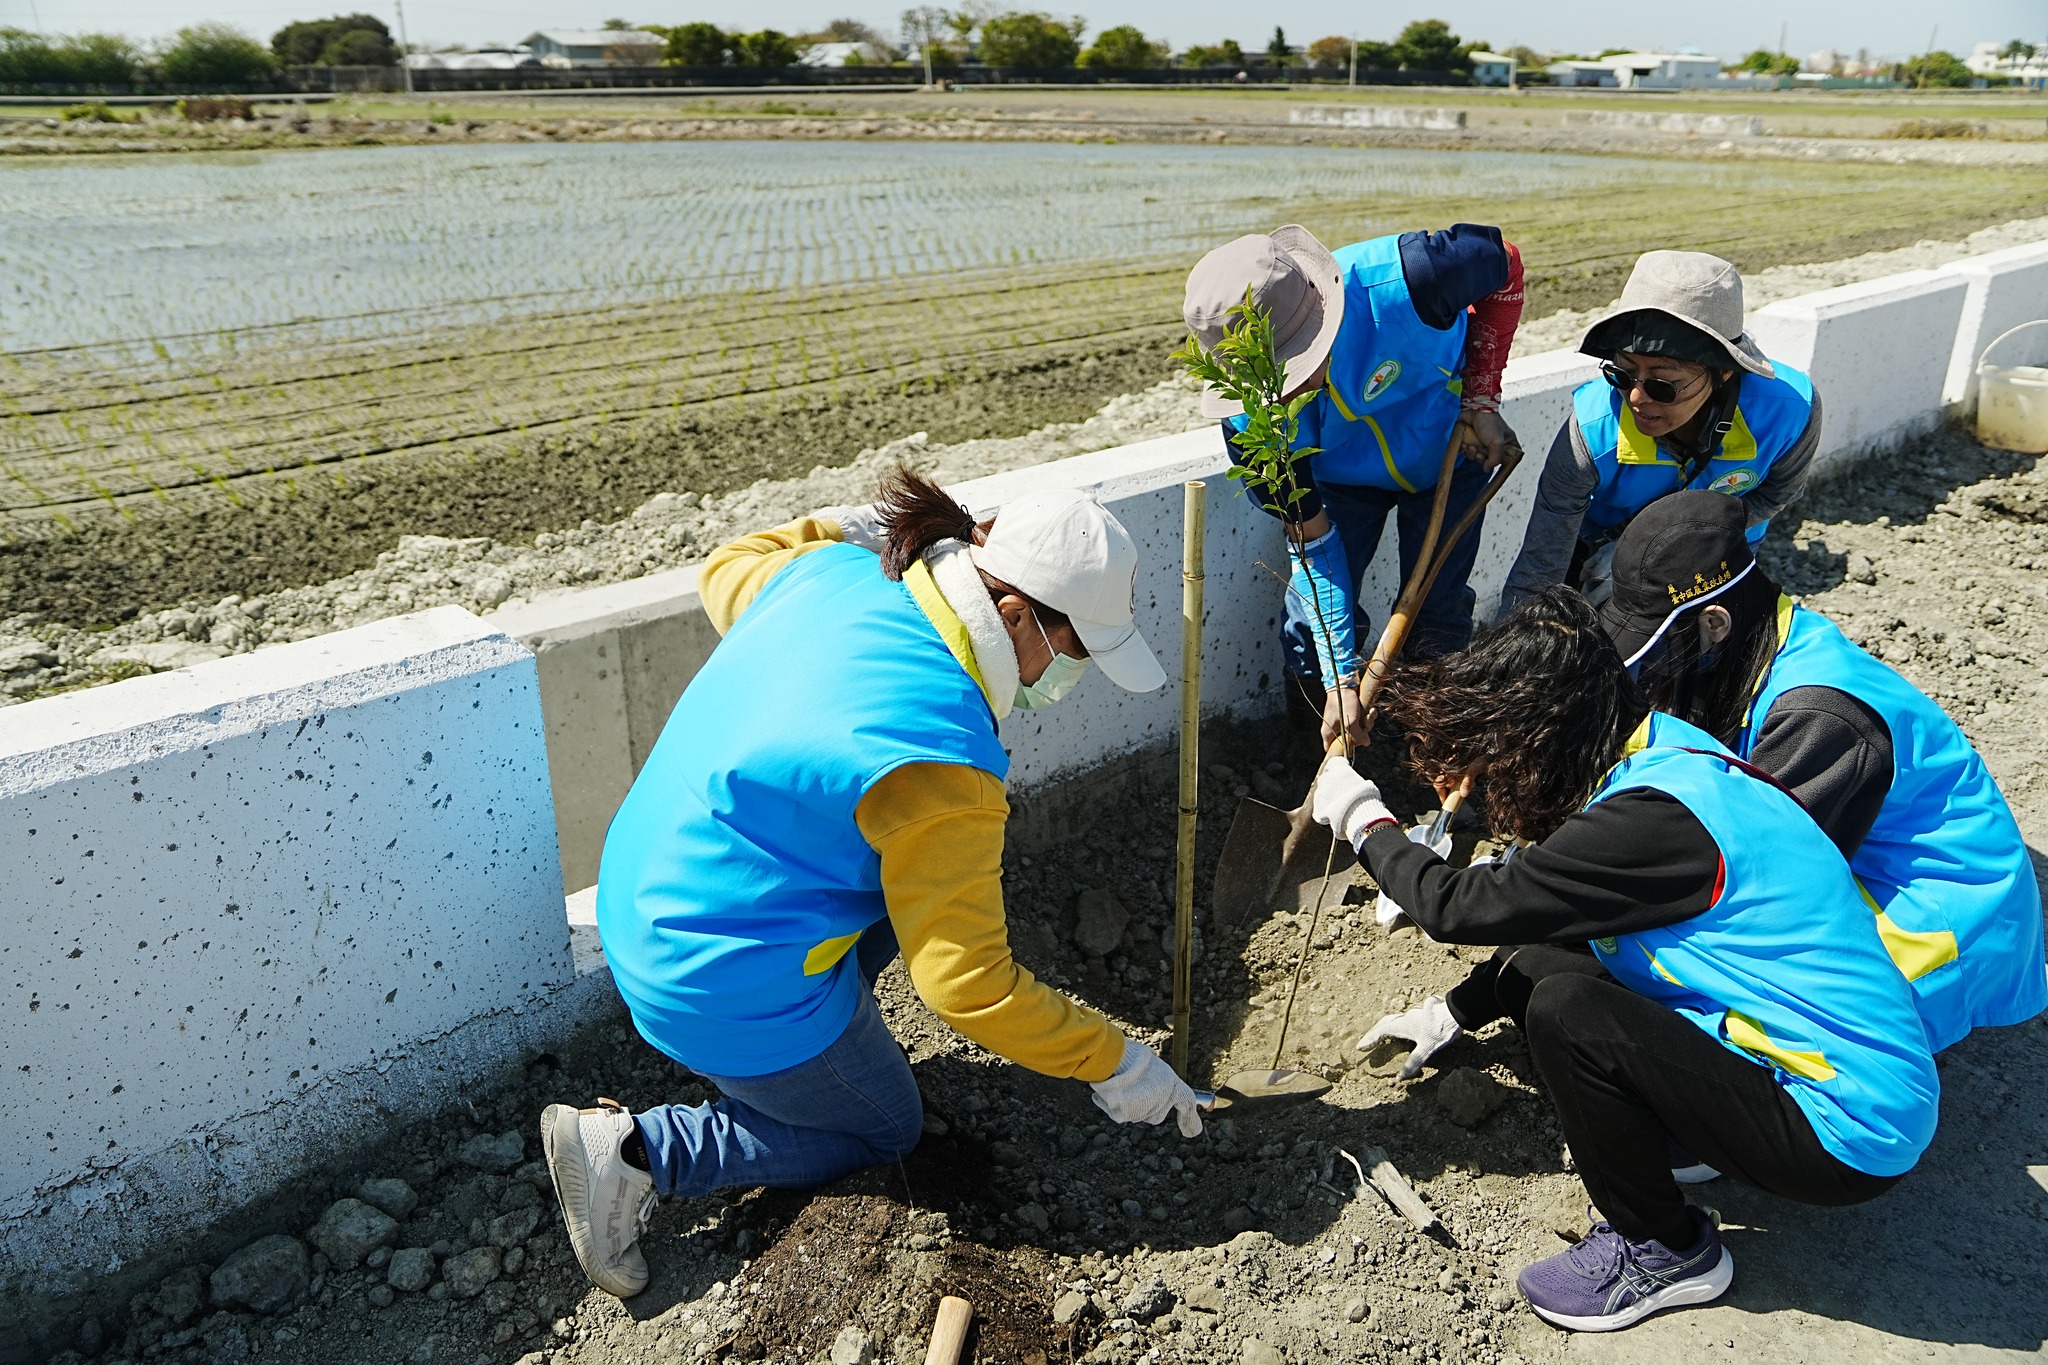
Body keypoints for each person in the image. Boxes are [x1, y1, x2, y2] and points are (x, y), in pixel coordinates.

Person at [539, 470, 1205, 1300]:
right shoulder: (941, 755)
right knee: (888, 1125)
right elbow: (967, 987)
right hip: (712, 976)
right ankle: (643, 1150)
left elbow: (726, 566)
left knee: (911, 885)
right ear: (1011, 614)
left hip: (646, 896)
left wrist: (840, 526)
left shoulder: (835, 573)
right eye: (1071, 649)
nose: (1065, 674)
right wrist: (1111, 1059)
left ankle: (810, 1042)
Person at [1310, 589, 1937, 1332]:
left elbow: (1457, 907)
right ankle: (1696, 1133)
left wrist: (1364, 819)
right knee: (1565, 971)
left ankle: (1666, 1251)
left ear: (1548, 734)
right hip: (1835, 1067)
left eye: (1506, 752)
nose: (1500, 779)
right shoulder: (1665, 755)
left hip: (1849, 1128)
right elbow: (1557, 929)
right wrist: (1453, 1011)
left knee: (1570, 1014)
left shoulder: (1647, 824)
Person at [1597, 489, 2047, 1052]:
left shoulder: (1818, 716)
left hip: (1940, 920)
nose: (1656, 667)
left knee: (1673, 959)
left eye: (1662, 645)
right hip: (1877, 864)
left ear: (1714, 622)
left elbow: (1754, 873)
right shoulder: (1761, 638)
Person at [1183, 222, 1525, 749]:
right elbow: (1313, 548)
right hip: (1340, 480)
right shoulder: (1254, 430)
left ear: (1322, 318)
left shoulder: (1417, 277)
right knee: (1307, 630)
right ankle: (1321, 762)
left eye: (1297, 367)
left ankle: (1432, 754)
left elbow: (1504, 262)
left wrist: (1481, 397)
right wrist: (1340, 680)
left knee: (1436, 616)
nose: (1287, 393)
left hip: (1447, 454)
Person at [1500, 251, 1822, 612]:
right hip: (1601, 548)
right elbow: (1541, 565)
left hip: (1719, 542)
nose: (1636, 398)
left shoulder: (1790, 409)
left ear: (1725, 373)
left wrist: (1682, 540)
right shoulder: (1591, 432)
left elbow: (1776, 494)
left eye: (1663, 385)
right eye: (1621, 374)